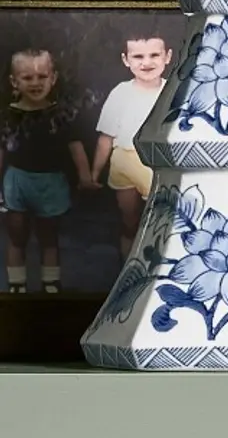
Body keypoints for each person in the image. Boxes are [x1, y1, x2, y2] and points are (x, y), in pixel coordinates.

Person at [0, 48, 97, 294]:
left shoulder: (60, 115)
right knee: (16, 235)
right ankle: (16, 285)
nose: (35, 82)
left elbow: (76, 147)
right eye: (27, 77)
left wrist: (85, 177)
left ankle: (51, 283)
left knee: (49, 236)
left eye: (42, 76)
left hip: (52, 183)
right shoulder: (8, 115)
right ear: (14, 81)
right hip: (17, 182)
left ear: (53, 78)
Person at [90, 30, 173, 258]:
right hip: (124, 162)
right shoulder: (120, 93)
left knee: (158, 220)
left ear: (167, 56)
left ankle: (154, 265)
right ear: (126, 60)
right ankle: (127, 266)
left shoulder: (172, 92)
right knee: (129, 218)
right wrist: (94, 174)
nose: (147, 62)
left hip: (157, 163)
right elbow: (106, 138)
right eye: (138, 56)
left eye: (154, 55)